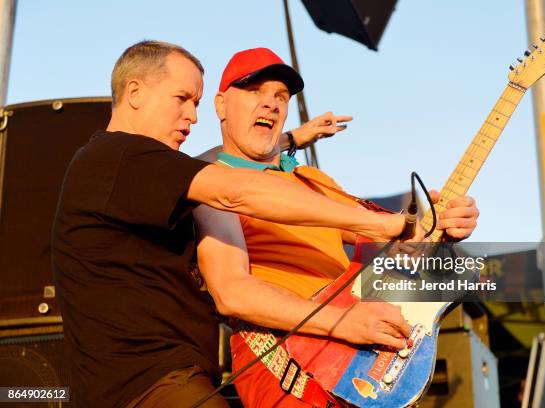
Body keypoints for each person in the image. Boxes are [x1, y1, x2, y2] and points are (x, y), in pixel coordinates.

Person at [51, 41, 409, 408]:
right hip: (150, 385)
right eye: (182, 98)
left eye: (196, 103)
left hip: (182, 379)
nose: (193, 116)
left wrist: (428, 222)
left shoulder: (142, 170)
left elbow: (229, 167)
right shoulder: (118, 156)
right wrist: (379, 226)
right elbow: (234, 192)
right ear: (136, 93)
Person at [194, 48, 480, 407]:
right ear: (220, 105)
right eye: (254, 91)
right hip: (284, 358)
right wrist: (341, 322)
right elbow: (232, 293)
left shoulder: (313, 179)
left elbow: (388, 242)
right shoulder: (210, 182)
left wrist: (438, 227)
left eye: (280, 96)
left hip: (354, 353)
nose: (270, 103)